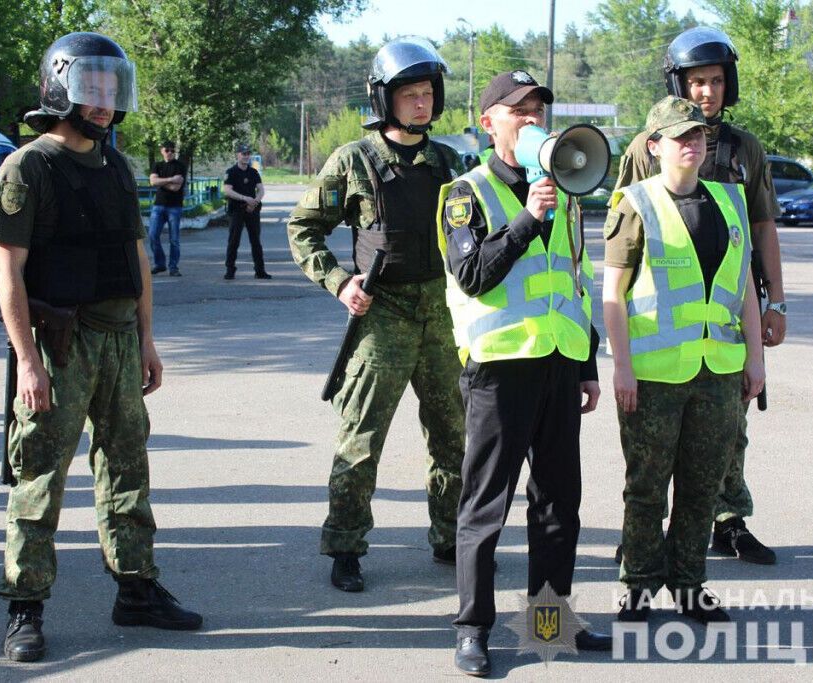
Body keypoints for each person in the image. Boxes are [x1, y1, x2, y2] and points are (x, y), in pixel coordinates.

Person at [0, 32, 201, 663]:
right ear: (60, 89)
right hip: (60, 344)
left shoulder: (117, 166)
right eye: (92, 89)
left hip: (117, 342)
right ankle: (25, 608)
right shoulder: (30, 166)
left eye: (112, 90)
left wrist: (147, 340)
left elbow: (135, 258)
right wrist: (28, 360)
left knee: (128, 468)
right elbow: (9, 272)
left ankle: (136, 589)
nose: (105, 103)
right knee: (39, 476)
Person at [439, 70, 611, 676]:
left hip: (560, 368)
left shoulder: (564, 194)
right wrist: (526, 220)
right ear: (489, 123)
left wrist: (587, 363)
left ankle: (548, 627)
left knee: (559, 504)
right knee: (486, 507)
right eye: (520, 110)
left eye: (539, 108)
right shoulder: (465, 191)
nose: (533, 117)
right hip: (499, 373)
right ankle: (473, 630)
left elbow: (574, 283)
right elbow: (473, 275)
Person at [287, 36, 465, 593]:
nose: (421, 103)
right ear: (384, 99)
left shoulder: (449, 161)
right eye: (409, 94)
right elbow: (303, 228)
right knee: (361, 438)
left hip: (441, 312)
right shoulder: (354, 160)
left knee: (454, 435)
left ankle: (453, 537)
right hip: (382, 314)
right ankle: (345, 546)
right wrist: (340, 282)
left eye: (427, 93)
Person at [612, 26, 786, 565]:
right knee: (656, 448)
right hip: (663, 317)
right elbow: (627, 224)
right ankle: (641, 543)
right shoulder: (649, 145)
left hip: (731, 306)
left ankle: (728, 519)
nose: (705, 92)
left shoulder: (742, 149)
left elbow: (763, 227)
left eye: (714, 81)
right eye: (695, 82)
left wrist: (775, 300)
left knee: (728, 425)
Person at [603, 96, 766, 623]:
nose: (693, 143)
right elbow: (614, 291)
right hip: (652, 376)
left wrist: (756, 359)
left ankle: (690, 584)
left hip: (718, 372)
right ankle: (639, 584)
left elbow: (744, 289)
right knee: (647, 487)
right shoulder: (634, 202)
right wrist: (621, 365)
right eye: (680, 137)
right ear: (655, 146)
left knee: (702, 487)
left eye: (698, 135)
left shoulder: (730, 199)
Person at [223, 143, 270, 279]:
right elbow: (227, 190)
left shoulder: (253, 172)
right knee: (234, 241)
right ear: (237, 155)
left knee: (256, 241)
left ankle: (260, 271)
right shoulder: (231, 172)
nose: (246, 156)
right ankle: (230, 270)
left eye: (248, 154)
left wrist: (255, 201)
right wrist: (245, 198)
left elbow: (261, 189)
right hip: (237, 210)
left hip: (252, 210)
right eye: (243, 154)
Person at [147, 140, 187, 276]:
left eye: (172, 150)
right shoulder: (157, 165)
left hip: (174, 207)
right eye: (167, 150)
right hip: (158, 205)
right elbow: (152, 181)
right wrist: (170, 179)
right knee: (152, 236)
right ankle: (160, 264)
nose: (169, 152)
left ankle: (173, 267)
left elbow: (176, 188)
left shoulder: (180, 166)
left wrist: (160, 182)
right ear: (162, 151)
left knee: (174, 239)